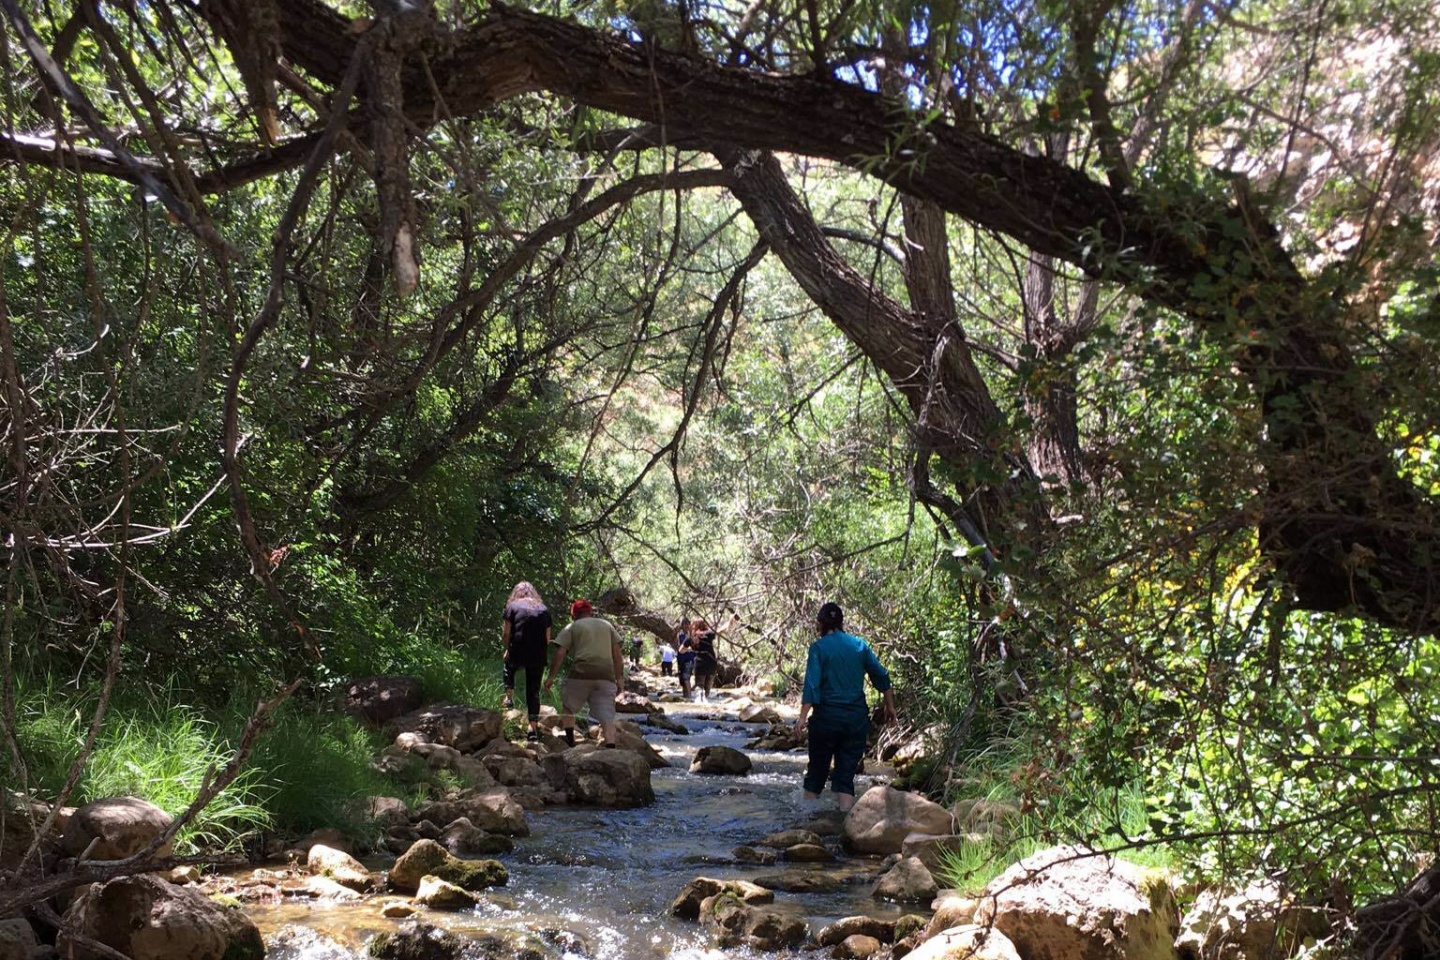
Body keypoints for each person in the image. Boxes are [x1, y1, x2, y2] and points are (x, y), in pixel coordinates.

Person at [793, 602, 896, 812]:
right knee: (846, 775)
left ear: (820, 624)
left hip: (826, 720)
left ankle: (809, 825)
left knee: (816, 773)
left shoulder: (819, 648)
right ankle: (845, 824)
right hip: (855, 720)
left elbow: (812, 685)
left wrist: (802, 717)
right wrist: (890, 706)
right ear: (841, 623)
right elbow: (882, 676)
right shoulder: (859, 645)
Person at [544, 599, 625, 747]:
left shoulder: (572, 627)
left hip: (581, 673)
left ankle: (570, 743)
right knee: (607, 716)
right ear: (591, 612)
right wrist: (619, 678)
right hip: (606, 676)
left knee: (568, 706)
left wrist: (551, 677)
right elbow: (617, 654)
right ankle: (611, 747)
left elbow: (560, 652)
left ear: (573, 615)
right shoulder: (607, 625)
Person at [500, 581, 552, 742]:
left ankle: (509, 696)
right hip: (538, 654)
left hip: (518, 649)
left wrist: (507, 648)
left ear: (516, 593)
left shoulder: (513, 607)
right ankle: (532, 728)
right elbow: (548, 638)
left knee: (509, 665)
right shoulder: (544, 610)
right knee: (533, 691)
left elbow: (506, 633)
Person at [675, 617, 695, 698]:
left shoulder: (693, 635)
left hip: (689, 659)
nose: (686, 626)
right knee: (682, 680)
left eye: (688, 624)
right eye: (684, 624)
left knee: (686, 678)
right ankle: (685, 696)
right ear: (682, 625)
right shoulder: (679, 635)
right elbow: (678, 646)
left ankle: (689, 697)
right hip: (681, 659)